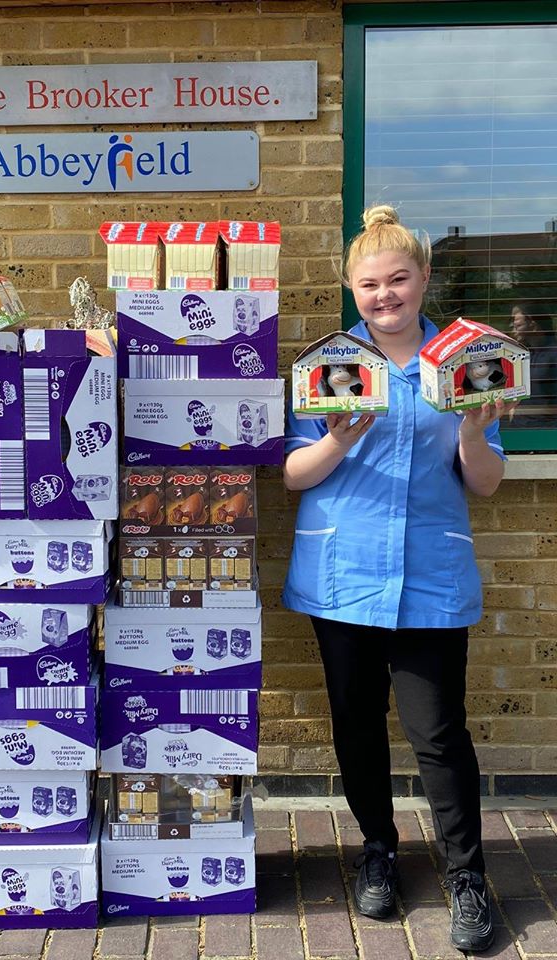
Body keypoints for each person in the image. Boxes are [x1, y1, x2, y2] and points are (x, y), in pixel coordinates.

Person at [282, 205, 517, 953]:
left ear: (423, 278)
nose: (385, 295)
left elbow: (485, 482)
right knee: (356, 724)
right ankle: (377, 851)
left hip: (428, 577)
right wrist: (336, 441)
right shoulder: (331, 365)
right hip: (343, 572)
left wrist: (474, 430)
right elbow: (292, 473)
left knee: (438, 734)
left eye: (398, 279)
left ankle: (467, 876)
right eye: (370, 284)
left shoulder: (463, 364)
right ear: (352, 289)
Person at [509, 303, 557, 406]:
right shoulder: (526, 354)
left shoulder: (553, 355)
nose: (512, 327)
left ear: (533, 325)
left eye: (518, 325)